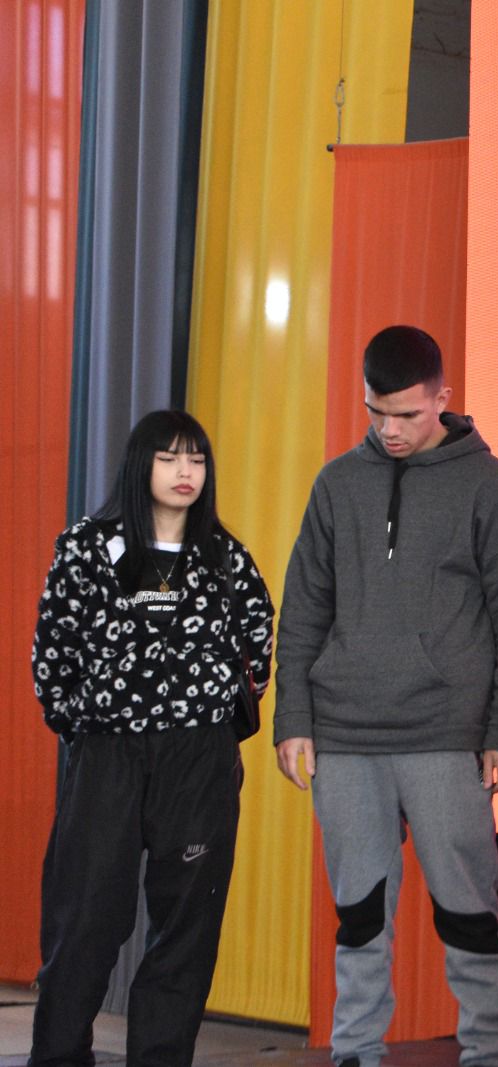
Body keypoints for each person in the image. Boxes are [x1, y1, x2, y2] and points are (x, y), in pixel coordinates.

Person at [273, 325, 498, 1067]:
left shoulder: (488, 483)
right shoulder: (337, 483)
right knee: (359, 916)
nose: (389, 430)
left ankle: (490, 1052)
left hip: (447, 734)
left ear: (443, 398)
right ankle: (355, 1052)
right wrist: (293, 717)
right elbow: (304, 609)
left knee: (469, 913)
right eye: (376, 412)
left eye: (408, 415)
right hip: (345, 733)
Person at [30, 410, 274, 1067]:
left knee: (187, 923)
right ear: (141, 466)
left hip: (198, 756)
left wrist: (216, 708)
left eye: (196, 459)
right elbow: (52, 650)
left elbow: (258, 638)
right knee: (84, 916)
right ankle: (58, 1054)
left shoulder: (225, 556)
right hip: (107, 752)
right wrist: (82, 718)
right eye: (168, 458)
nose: (184, 472)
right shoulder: (85, 547)